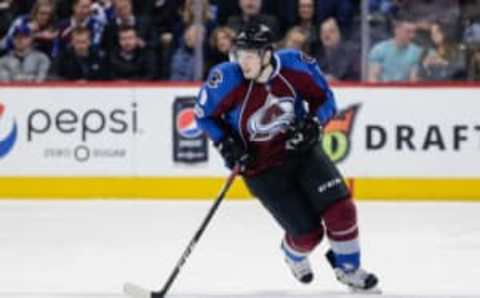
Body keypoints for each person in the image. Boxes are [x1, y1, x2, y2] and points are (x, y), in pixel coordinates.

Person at [195, 21, 379, 291]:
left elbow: (325, 99)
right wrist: (226, 144)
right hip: (261, 168)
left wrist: (314, 123)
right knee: (308, 235)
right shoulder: (226, 78)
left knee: (342, 210)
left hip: (301, 152)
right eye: (239, 54)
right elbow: (204, 117)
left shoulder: (294, 65)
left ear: (267, 55)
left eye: (249, 55)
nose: (241, 61)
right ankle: (292, 253)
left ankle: (349, 269)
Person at [368, 18, 422, 82]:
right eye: (408, 32)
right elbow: (373, 77)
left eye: (413, 32)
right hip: (382, 89)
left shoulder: (416, 52)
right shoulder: (379, 49)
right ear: (397, 30)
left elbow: (413, 79)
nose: (412, 36)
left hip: (406, 90)